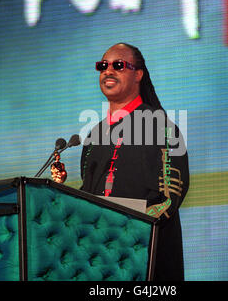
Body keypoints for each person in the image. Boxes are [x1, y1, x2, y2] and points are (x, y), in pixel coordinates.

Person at [79, 43, 190, 281]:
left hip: (147, 260)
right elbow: (88, 197)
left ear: (138, 74)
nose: (108, 71)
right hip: (99, 263)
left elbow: (170, 197)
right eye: (103, 66)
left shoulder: (161, 126)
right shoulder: (93, 136)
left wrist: (126, 229)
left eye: (118, 65)